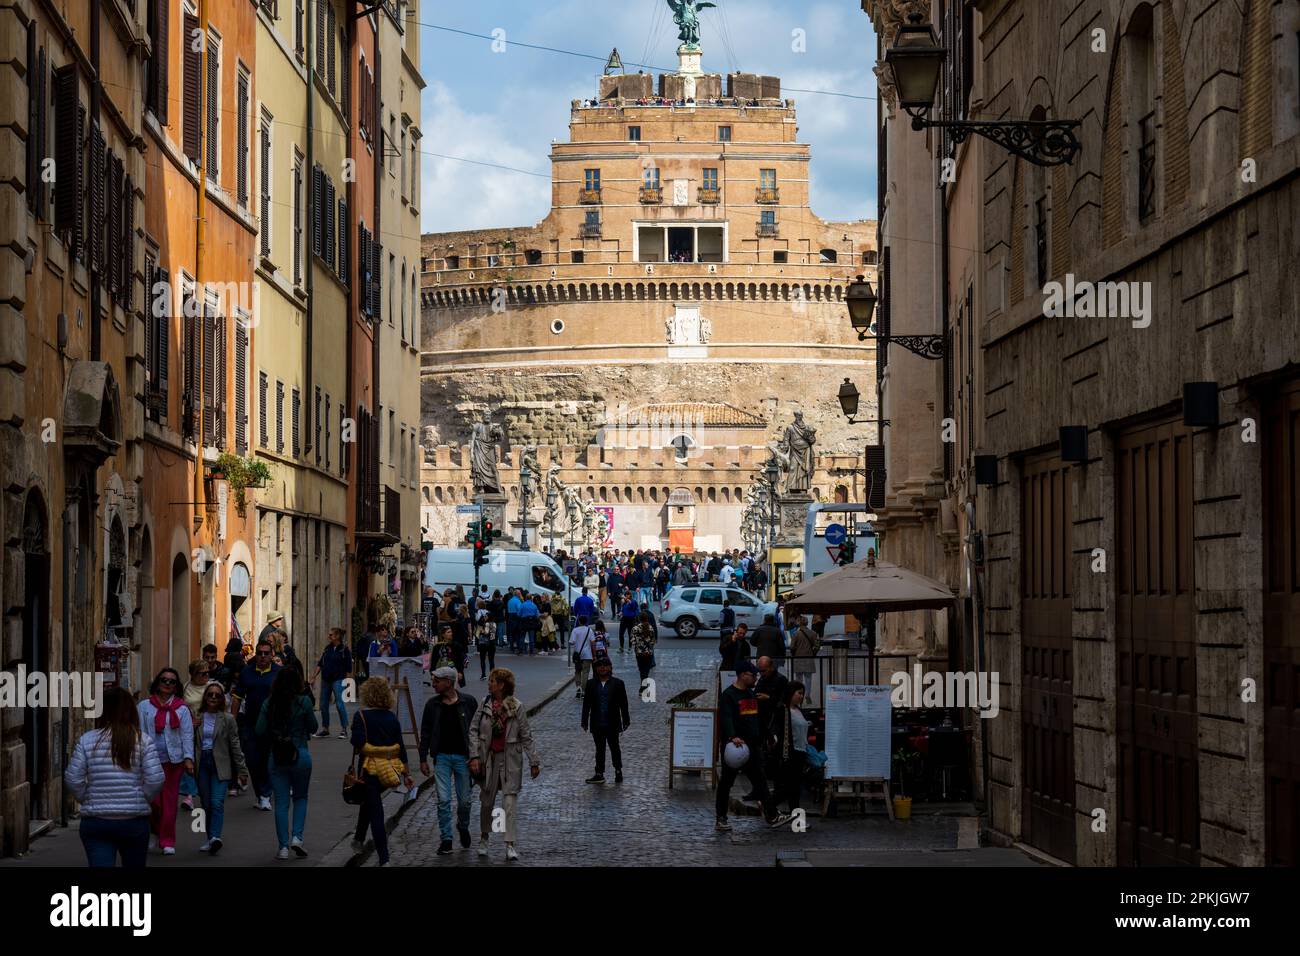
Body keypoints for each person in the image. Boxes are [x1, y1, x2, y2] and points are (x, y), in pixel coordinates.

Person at [65, 687, 165, 867]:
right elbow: (156, 779)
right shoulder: (143, 740)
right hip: (134, 821)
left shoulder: (87, 740)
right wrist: (142, 797)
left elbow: (73, 778)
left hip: (97, 821)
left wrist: (86, 797)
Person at [468, 668, 540, 861]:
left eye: (492, 681)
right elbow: (473, 730)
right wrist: (474, 756)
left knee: (508, 804)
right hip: (489, 760)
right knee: (487, 802)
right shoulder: (484, 704)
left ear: (501, 685)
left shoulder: (516, 707)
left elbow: (526, 735)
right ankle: (484, 838)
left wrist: (534, 761)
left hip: (510, 761)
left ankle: (509, 844)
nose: (489, 683)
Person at [256, 666, 318, 860]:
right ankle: (297, 838)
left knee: (281, 803)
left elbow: (259, 730)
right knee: (300, 797)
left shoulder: (269, 703)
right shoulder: (304, 702)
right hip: (300, 753)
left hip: (278, 755)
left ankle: (282, 847)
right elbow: (314, 727)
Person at [350, 678, 414, 866]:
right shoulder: (391, 718)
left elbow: (357, 742)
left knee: (376, 814)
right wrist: (407, 774)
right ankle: (358, 839)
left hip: (369, 770)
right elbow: (401, 747)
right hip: (389, 770)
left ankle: (384, 858)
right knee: (369, 803)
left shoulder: (361, 716)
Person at [716, 660, 785, 830]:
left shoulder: (751, 695)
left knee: (760, 782)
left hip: (752, 747)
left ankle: (772, 815)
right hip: (735, 748)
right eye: (753, 675)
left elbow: (758, 719)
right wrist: (733, 736)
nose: (756, 678)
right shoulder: (729, 695)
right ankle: (720, 818)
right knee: (726, 783)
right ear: (742, 675)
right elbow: (726, 718)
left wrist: (768, 736)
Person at [418, 666, 478, 854]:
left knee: (465, 802)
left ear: (449, 682)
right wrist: (423, 758)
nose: (433, 683)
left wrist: (477, 756)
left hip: (463, 758)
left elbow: (476, 731)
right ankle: (446, 839)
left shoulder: (468, 702)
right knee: (443, 800)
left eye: (437, 680)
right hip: (442, 757)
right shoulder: (432, 705)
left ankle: (463, 825)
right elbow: (426, 732)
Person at [136, 668, 194, 854]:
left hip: (173, 761)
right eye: (164, 680)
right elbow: (138, 732)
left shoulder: (182, 709)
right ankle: (155, 831)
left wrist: (188, 758)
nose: (167, 684)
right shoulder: (144, 706)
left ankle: (167, 840)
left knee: (169, 803)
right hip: (150, 760)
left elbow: (187, 735)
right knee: (153, 802)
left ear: (176, 686)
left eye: (172, 682)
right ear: (157, 682)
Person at [193, 681, 247, 855]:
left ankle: (216, 837)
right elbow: (187, 741)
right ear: (205, 697)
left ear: (222, 699)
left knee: (217, 802)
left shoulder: (228, 719)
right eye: (210, 695)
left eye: (217, 695)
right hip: (201, 763)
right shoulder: (197, 716)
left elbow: (235, 745)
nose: (213, 698)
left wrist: (242, 770)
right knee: (206, 804)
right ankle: (209, 838)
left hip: (220, 764)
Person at [231, 640, 281, 810]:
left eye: (266, 653)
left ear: (271, 655)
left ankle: (266, 794)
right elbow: (237, 698)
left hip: (272, 725)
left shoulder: (278, 673)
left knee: (267, 760)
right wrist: (232, 720)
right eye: (260, 653)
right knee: (252, 760)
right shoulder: (247, 672)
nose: (262, 656)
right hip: (250, 724)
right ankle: (260, 793)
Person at [581, 656, 630, 784]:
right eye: (599, 666)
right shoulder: (591, 684)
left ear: (610, 667)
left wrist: (626, 719)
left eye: (605, 665)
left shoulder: (618, 683)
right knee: (599, 749)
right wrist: (584, 720)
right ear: (596, 669)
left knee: (615, 748)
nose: (602, 668)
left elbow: (623, 704)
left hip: (612, 723)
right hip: (597, 722)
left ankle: (618, 770)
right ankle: (599, 773)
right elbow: (587, 704)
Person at [772, 681, 809, 818]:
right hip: (790, 754)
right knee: (789, 788)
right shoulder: (783, 710)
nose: (801, 696)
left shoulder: (799, 711)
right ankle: (768, 805)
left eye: (802, 693)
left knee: (794, 788)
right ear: (790, 693)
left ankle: (797, 820)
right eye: (798, 693)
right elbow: (777, 730)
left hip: (801, 752)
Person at [310, 627, 353, 740]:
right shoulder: (327, 649)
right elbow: (320, 664)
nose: (328, 637)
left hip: (338, 679)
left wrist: (348, 683)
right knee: (323, 704)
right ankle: (325, 729)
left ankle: (344, 729)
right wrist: (314, 676)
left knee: (339, 704)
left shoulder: (344, 650)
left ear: (337, 636)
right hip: (326, 679)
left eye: (331, 635)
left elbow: (349, 668)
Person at [788, 615, 820, 691]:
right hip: (809, 658)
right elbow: (817, 646)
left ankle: (799, 693)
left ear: (799, 623)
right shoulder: (813, 633)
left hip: (798, 658)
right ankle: (808, 696)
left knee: (799, 678)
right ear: (807, 623)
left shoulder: (795, 634)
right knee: (808, 678)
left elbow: (792, 647)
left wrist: (794, 653)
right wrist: (813, 653)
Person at [570, 615, 596, 698]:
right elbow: (593, 643)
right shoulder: (589, 630)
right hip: (587, 655)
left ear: (579, 621)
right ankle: (584, 691)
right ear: (586, 622)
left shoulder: (575, 630)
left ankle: (578, 688)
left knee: (577, 672)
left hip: (578, 655)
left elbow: (572, 642)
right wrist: (594, 655)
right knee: (585, 673)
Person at [631, 611, 657, 685]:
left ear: (639, 618)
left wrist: (638, 644)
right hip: (649, 652)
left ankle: (643, 687)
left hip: (639, 653)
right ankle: (643, 686)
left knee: (642, 670)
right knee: (646, 671)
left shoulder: (635, 628)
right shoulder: (650, 628)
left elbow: (633, 641)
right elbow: (653, 641)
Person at [475, 604, 497, 679]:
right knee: (491, 660)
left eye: (486, 616)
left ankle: (483, 674)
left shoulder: (485, 624)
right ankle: (492, 675)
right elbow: (493, 634)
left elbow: (481, 633)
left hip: (484, 643)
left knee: (482, 659)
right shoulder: (494, 624)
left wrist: (481, 630)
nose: (484, 617)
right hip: (492, 643)